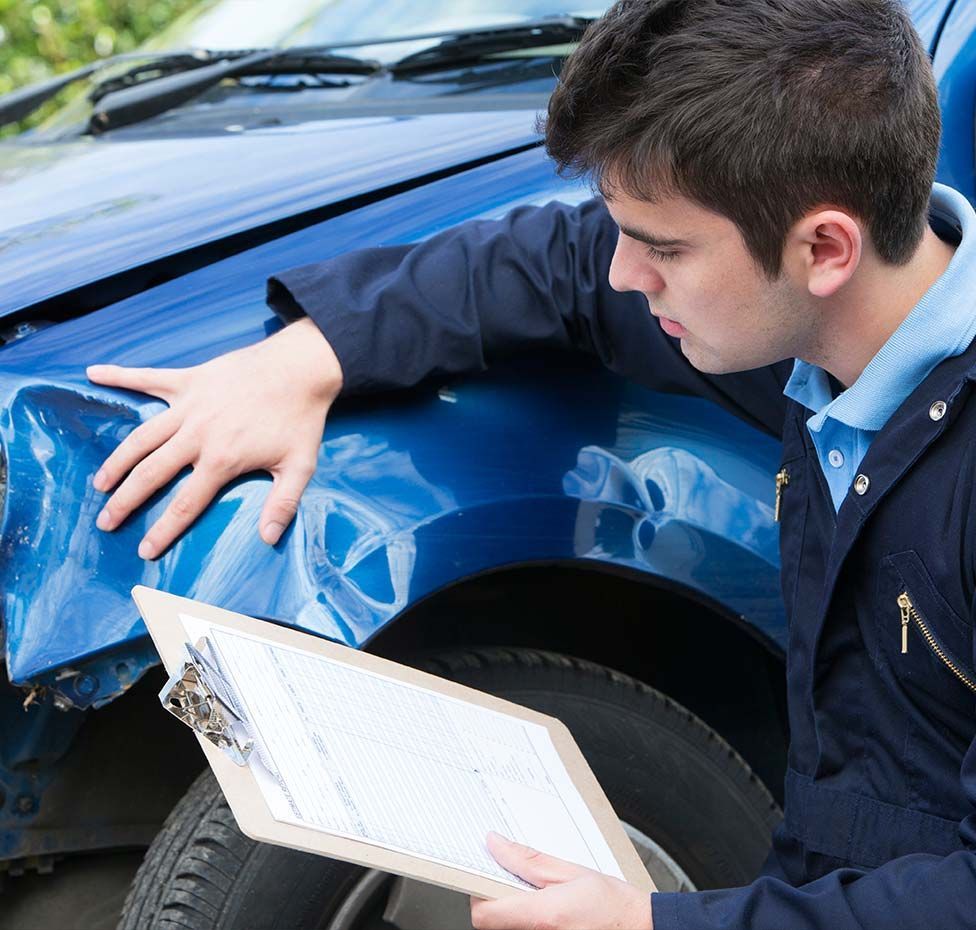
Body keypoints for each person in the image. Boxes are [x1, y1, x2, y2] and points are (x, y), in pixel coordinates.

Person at [86, 0, 976, 926]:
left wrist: (657, 923)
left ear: (824, 248)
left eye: (664, 248)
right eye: (628, 231)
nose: (628, 275)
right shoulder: (810, 327)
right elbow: (560, 261)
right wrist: (312, 356)